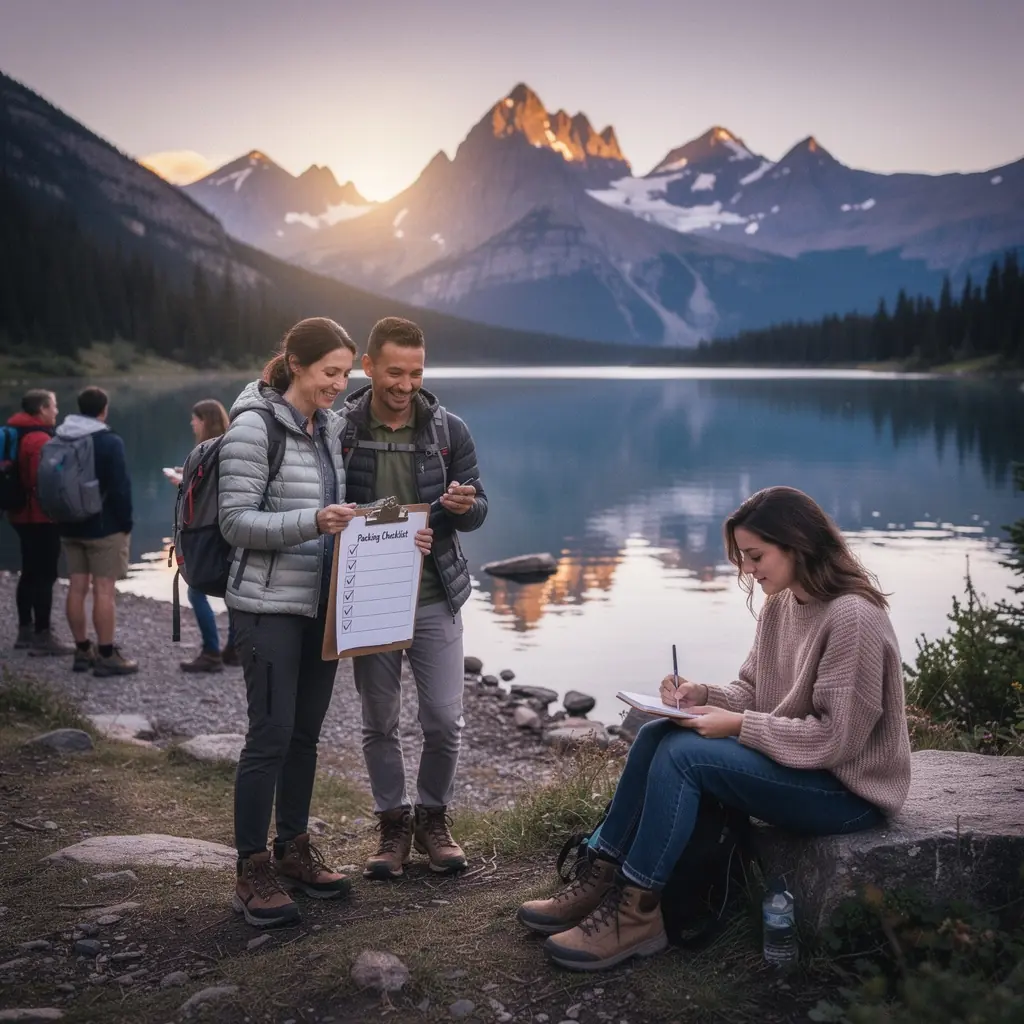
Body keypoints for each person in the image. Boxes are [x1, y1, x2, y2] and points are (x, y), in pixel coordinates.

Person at [518, 486, 912, 972]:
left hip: (849, 793)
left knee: (687, 755)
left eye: (755, 556)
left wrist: (740, 726)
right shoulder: (783, 603)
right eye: (743, 557)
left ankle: (638, 913)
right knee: (656, 734)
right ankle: (601, 876)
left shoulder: (852, 617)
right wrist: (704, 696)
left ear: (798, 544)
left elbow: (837, 739)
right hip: (803, 769)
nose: (747, 569)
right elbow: (754, 691)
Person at [218, 316, 435, 929]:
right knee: (270, 734)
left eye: (345, 373)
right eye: (330, 373)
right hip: (265, 606)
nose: (340, 385)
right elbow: (235, 522)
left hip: (321, 606)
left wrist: (398, 531)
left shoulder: (326, 428)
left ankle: (292, 850)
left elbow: (342, 515)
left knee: (305, 737)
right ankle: (250, 867)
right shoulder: (253, 427)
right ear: (296, 365)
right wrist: (313, 521)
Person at [341, 316, 487, 880]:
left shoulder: (450, 431)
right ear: (369, 366)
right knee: (379, 722)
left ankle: (432, 818)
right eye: (394, 372)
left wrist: (456, 509)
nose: (405, 385)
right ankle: (392, 825)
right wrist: (391, 524)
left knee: (444, 721)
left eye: (417, 372)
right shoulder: (341, 430)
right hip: (369, 599)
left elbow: (478, 511)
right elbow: (329, 506)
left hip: (434, 596)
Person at [57, 387, 137, 676]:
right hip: (103, 527)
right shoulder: (109, 441)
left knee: (76, 587)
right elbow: (120, 488)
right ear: (104, 410)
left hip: (69, 524)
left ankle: (81, 651)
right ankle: (106, 655)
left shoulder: (62, 435)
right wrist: (126, 523)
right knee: (104, 590)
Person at [170, 399, 240, 673]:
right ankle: (235, 648)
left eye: (195, 419)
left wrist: (181, 483)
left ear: (205, 421)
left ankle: (211, 651)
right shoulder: (232, 445)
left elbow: (205, 494)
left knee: (196, 590)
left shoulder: (206, 450)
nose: (192, 423)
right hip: (230, 531)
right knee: (233, 590)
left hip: (208, 533)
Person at [6, 389, 72, 655]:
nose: (56, 411)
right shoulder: (38, 439)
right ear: (42, 409)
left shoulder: (17, 431)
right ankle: (43, 636)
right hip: (40, 517)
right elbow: (43, 482)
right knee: (45, 574)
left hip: (19, 514)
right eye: (53, 406)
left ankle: (24, 631)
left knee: (29, 571)